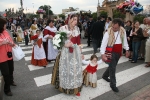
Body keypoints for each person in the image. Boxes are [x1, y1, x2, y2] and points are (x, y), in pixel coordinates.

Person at [51, 14, 83, 96]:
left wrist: (81, 52)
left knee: (75, 70)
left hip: (75, 52)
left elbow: (79, 42)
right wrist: (65, 45)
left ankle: (75, 88)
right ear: (70, 19)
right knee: (67, 69)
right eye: (74, 19)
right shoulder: (63, 28)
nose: (76, 22)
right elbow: (56, 41)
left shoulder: (77, 29)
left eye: (77, 20)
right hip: (66, 52)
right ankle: (66, 87)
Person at [100, 18, 129, 92]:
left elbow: (124, 40)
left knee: (112, 66)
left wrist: (127, 49)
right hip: (111, 52)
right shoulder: (108, 32)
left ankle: (105, 76)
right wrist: (102, 54)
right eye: (113, 27)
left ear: (120, 26)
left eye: (116, 28)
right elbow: (103, 44)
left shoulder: (123, 30)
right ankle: (113, 84)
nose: (114, 28)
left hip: (119, 52)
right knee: (113, 68)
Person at [0, 18, 16, 96]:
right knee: (5, 73)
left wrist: (11, 43)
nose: (6, 25)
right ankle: (7, 89)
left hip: (9, 54)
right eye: (4, 24)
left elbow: (11, 40)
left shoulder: (5, 32)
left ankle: (11, 81)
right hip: (2, 57)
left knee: (11, 70)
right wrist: (2, 43)